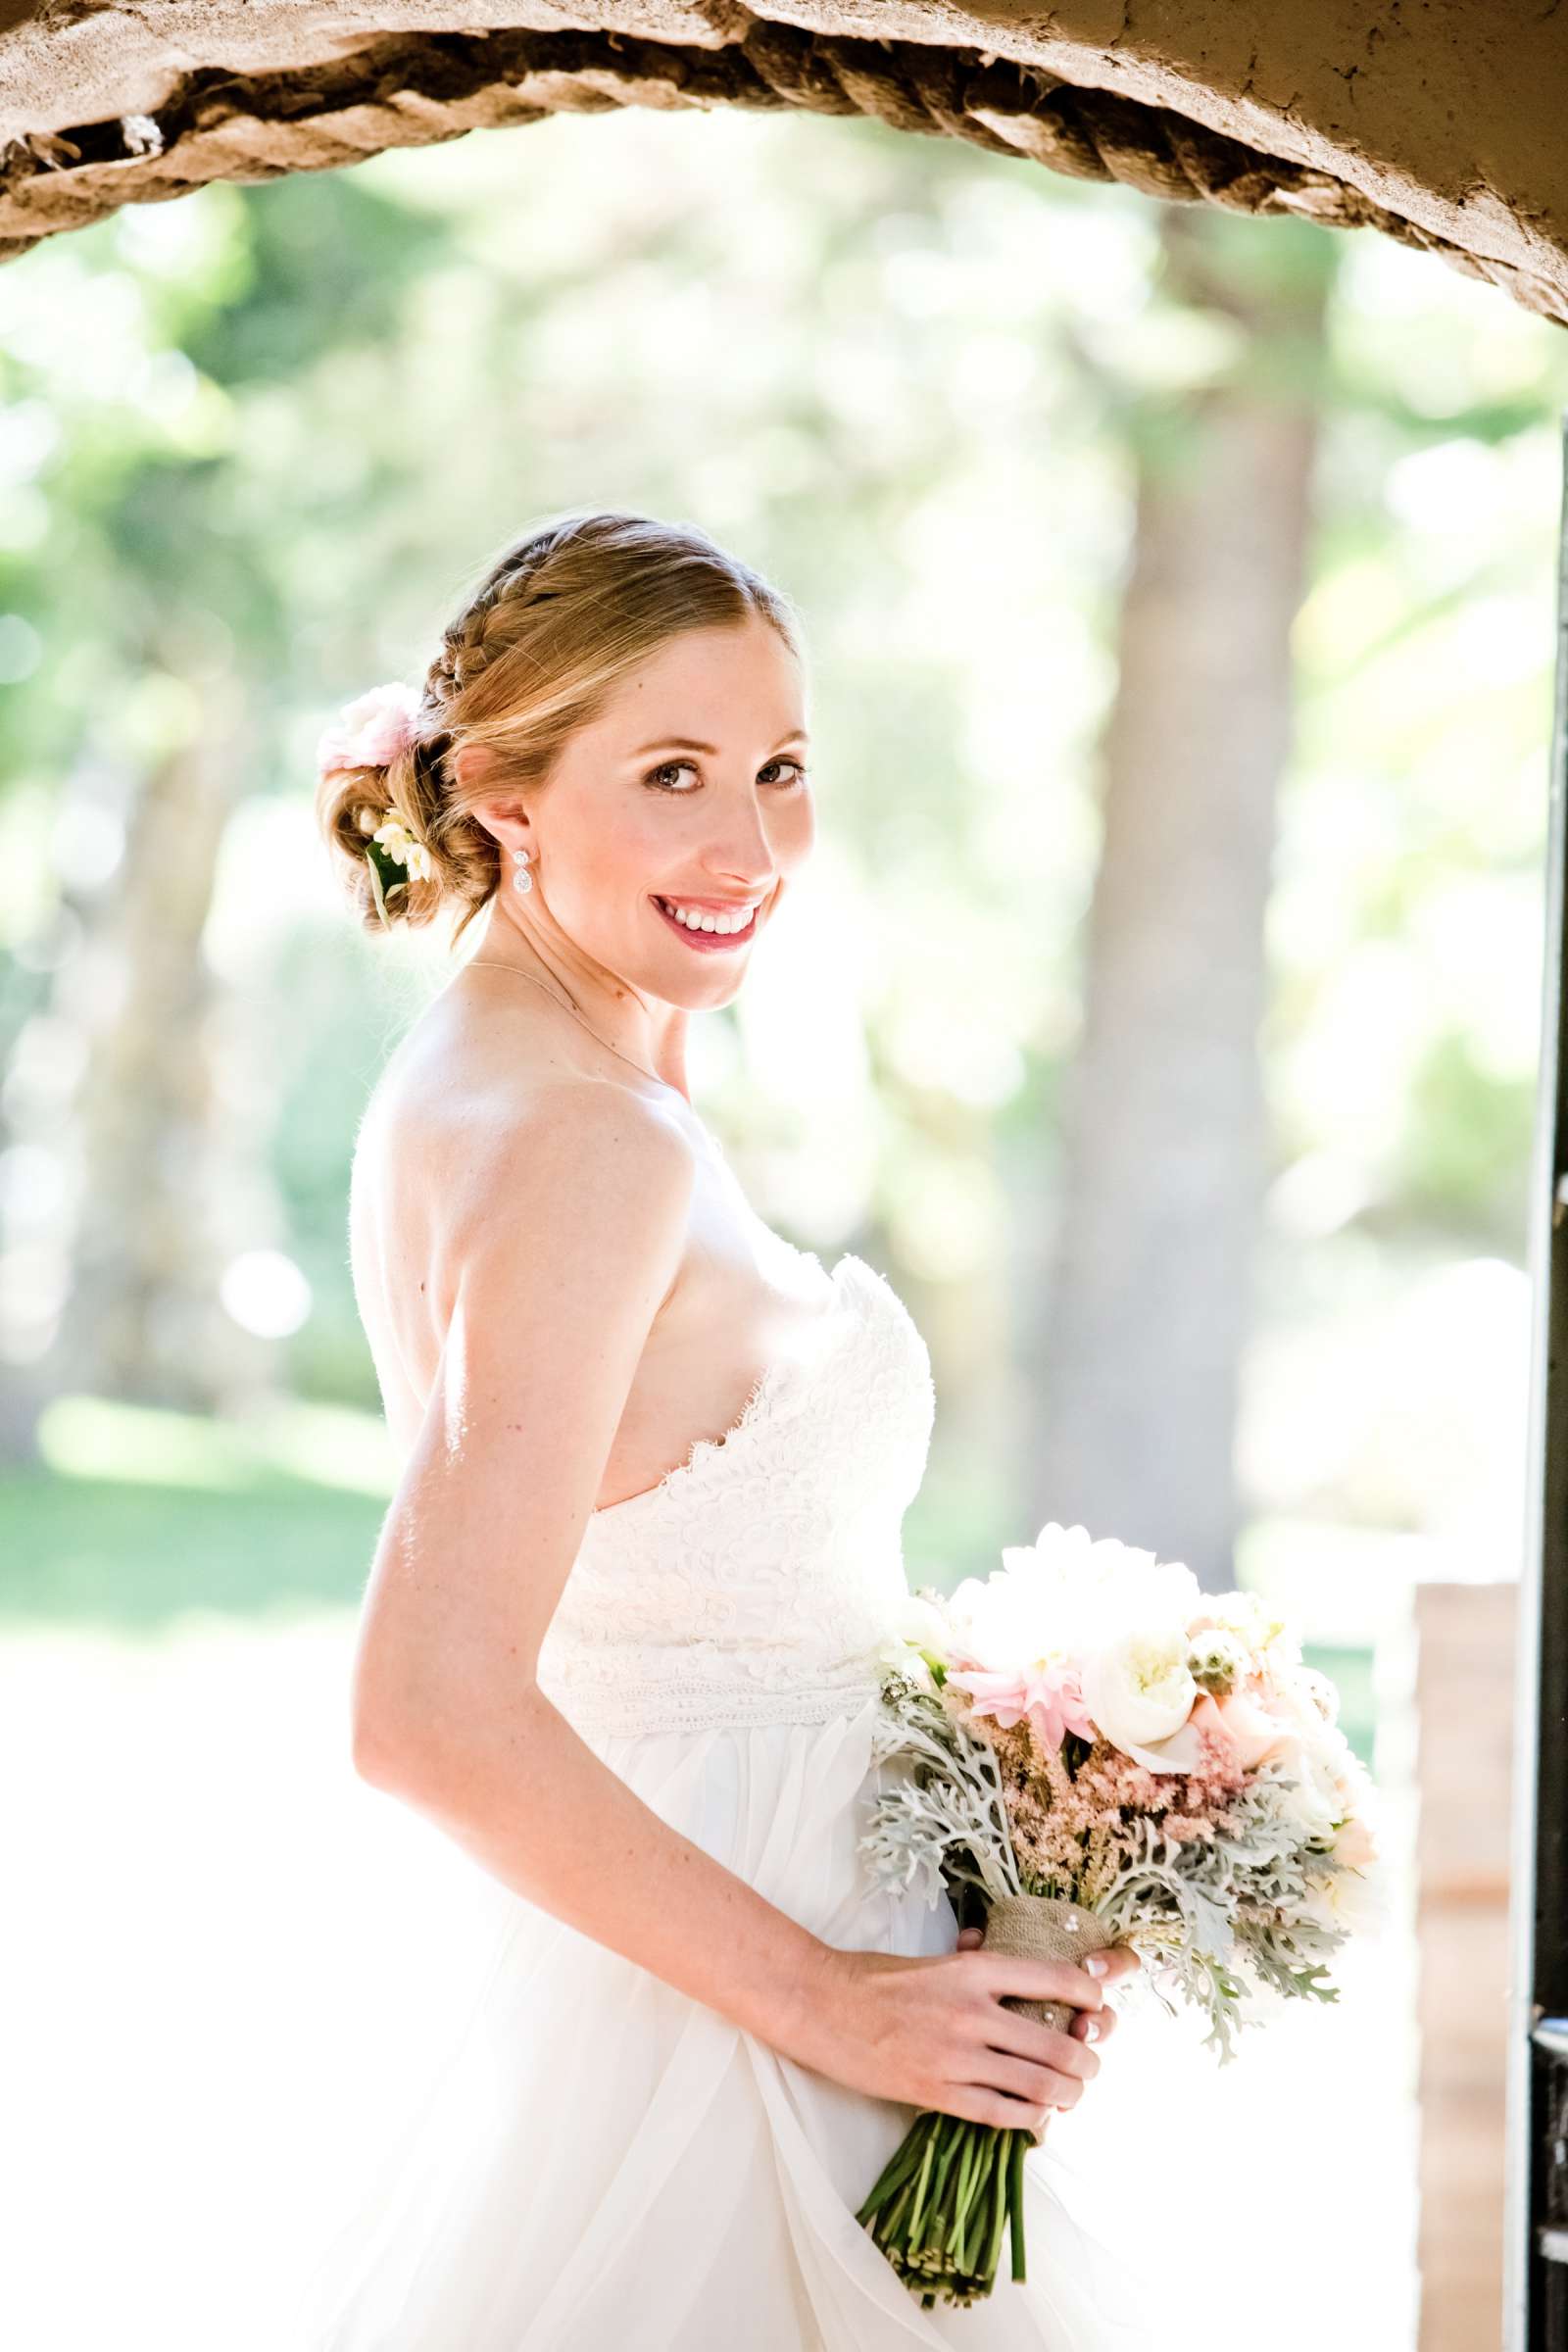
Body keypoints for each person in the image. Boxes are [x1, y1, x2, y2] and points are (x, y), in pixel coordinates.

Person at [295, 509, 1157, 2350]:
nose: (749, 845)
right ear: (506, 793)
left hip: (737, 1939)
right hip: (732, 2026)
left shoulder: (553, 1064)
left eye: (778, 768)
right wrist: (840, 2008)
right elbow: (427, 1707)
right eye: (671, 772)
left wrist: (1050, 1794)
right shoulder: (582, 1138)